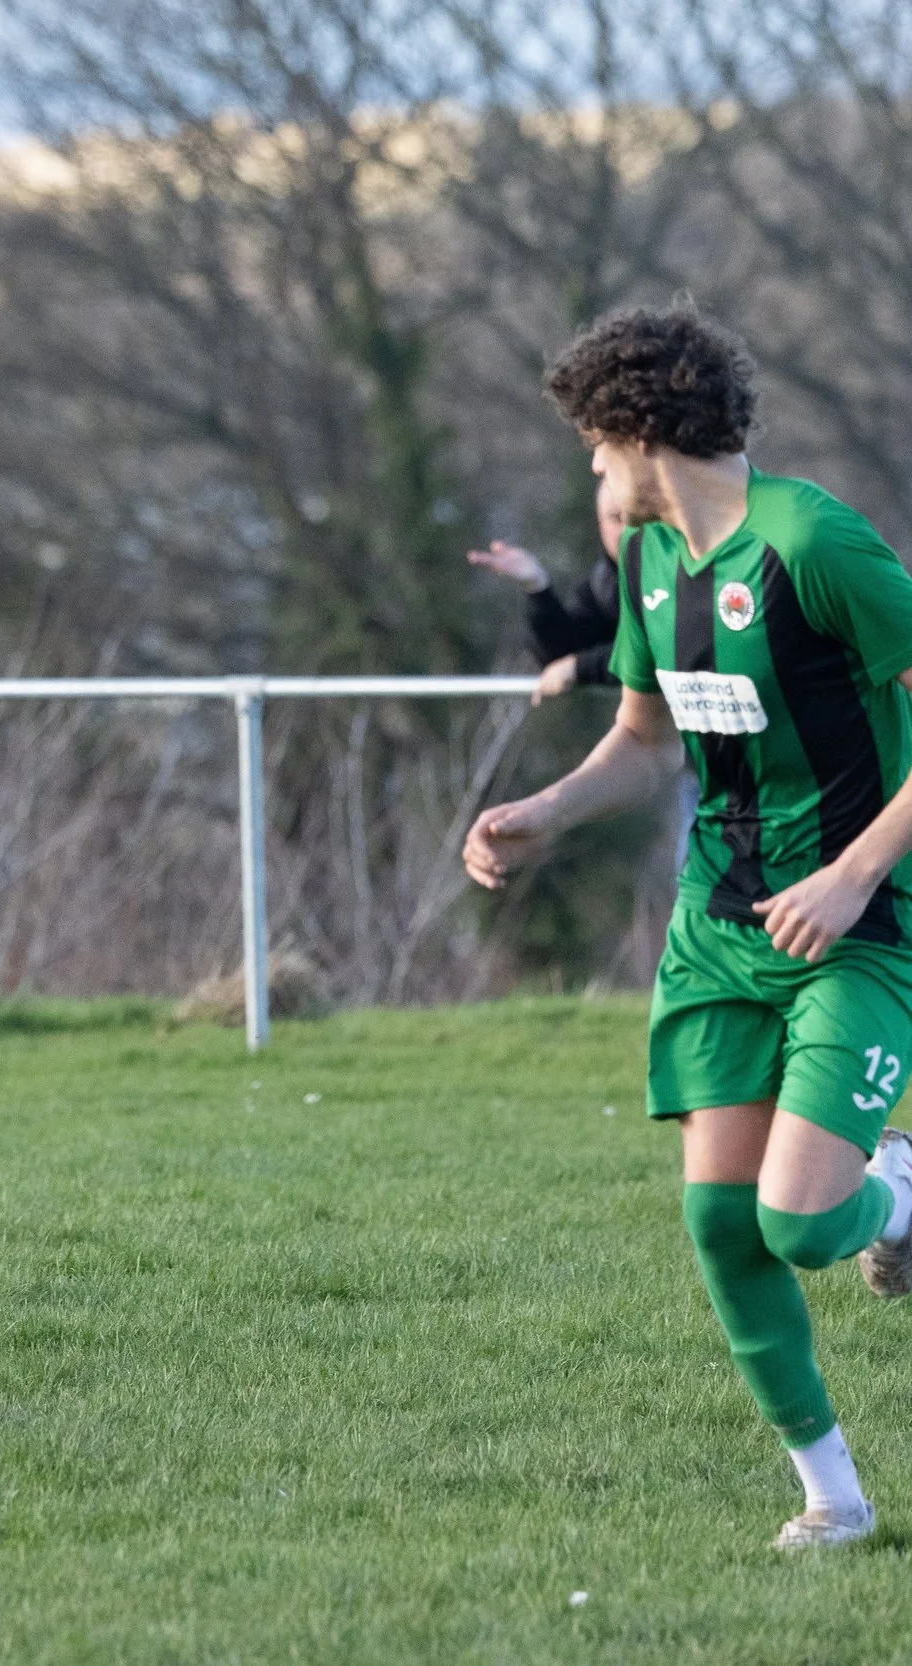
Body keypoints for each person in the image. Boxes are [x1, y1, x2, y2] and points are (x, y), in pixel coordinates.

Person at [463, 302, 912, 1549]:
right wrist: (541, 812)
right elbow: (647, 740)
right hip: (717, 927)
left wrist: (852, 873)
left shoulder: (811, 540)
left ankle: (902, 1195)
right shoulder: (653, 567)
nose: (593, 476)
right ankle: (832, 1496)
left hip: (855, 923)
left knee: (801, 1219)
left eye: (595, 453)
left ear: (634, 433)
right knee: (723, 1223)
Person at [467, 483, 628, 703]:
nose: (629, 528)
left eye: (637, 515)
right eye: (616, 518)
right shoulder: (603, 584)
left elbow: (657, 653)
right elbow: (564, 655)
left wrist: (581, 667)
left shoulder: (679, 573)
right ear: (599, 524)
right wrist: (537, 588)